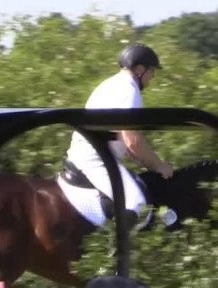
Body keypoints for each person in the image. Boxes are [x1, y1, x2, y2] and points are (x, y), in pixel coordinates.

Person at [64, 43, 175, 228]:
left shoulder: (111, 84)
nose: (152, 78)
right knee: (137, 203)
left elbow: (128, 145)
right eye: (152, 72)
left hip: (91, 155)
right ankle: (116, 255)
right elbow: (133, 142)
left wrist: (151, 164)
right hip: (95, 161)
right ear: (140, 69)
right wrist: (159, 165)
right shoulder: (130, 91)